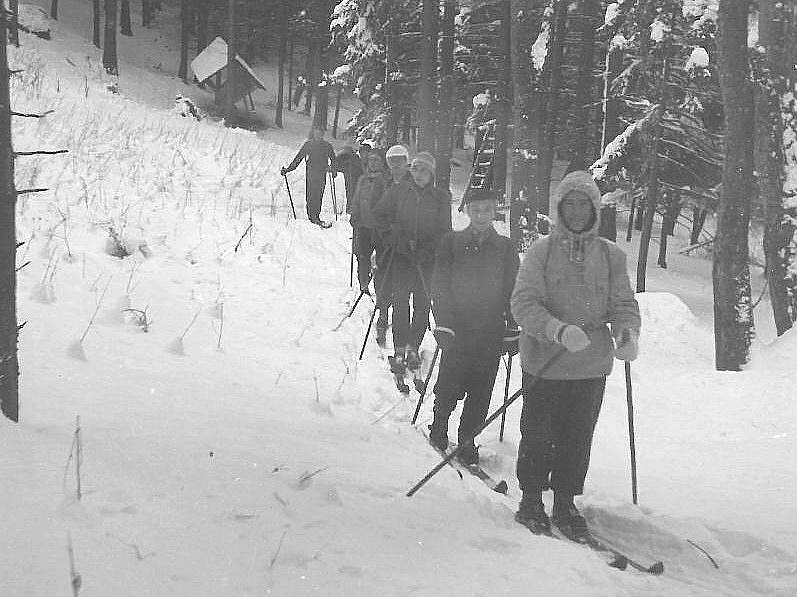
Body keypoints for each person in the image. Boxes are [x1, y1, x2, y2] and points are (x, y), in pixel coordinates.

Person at [510, 170, 641, 540]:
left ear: (595, 208)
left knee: (577, 437)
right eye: (571, 203)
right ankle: (531, 499)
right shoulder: (542, 251)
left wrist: (627, 334)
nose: (579, 210)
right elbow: (523, 303)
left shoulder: (611, 255)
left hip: (590, 366)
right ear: (560, 208)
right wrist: (557, 330)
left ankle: (565, 501)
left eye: (585, 203)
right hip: (545, 364)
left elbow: (623, 303)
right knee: (538, 434)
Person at [429, 189, 520, 465]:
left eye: (487, 210)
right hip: (457, 327)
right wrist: (443, 322)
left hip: (489, 330)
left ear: (494, 212)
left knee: (481, 391)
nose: (481, 215)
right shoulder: (451, 243)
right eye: (476, 210)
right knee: (449, 383)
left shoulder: (505, 248)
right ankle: (439, 425)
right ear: (467, 211)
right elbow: (440, 284)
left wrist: (512, 327)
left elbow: (514, 290)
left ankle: (468, 439)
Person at [373, 151, 452, 372]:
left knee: (422, 304)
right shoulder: (398, 191)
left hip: (427, 261)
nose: (418, 174)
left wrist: (428, 250)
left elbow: (445, 231)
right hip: (401, 257)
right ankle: (399, 348)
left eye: (424, 170)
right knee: (400, 302)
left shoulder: (440, 198)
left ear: (431, 173)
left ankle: (413, 347)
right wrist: (392, 237)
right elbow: (379, 215)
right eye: (415, 169)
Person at [350, 151, 389, 299]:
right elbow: (356, 198)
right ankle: (363, 285)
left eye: (376, 160)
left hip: (378, 227)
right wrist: (354, 213)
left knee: (380, 259)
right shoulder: (363, 179)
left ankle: (380, 288)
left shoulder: (385, 180)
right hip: (363, 224)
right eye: (371, 160)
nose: (372, 163)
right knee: (362, 255)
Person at [281, 128, 337, 228]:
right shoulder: (309, 145)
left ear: (323, 134)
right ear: (314, 134)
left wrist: (333, 170)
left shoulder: (327, 146)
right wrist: (288, 169)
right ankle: (312, 217)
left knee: (319, 195)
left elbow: (333, 159)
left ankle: (316, 217)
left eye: (320, 134)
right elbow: (298, 158)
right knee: (311, 195)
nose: (318, 135)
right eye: (316, 133)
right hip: (311, 174)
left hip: (321, 174)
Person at [336, 143, 364, 214]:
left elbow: (338, 167)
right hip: (351, 177)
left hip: (352, 177)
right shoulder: (355, 158)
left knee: (351, 193)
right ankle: (350, 209)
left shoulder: (355, 159)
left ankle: (350, 209)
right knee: (351, 193)